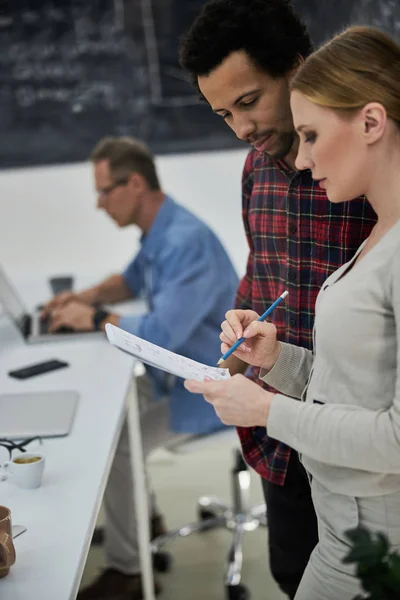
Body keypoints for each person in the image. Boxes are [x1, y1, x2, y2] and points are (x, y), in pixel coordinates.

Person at [185, 25, 400, 600]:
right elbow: (264, 281)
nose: (244, 129)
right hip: (303, 453)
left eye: (249, 102)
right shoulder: (263, 175)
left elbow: (388, 425)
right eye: (224, 115)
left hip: (370, 495)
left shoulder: (365, 195)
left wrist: (266, 405)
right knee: (289, 570)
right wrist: (260, 351)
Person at [42, 136, 238, 600]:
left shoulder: (184, 241)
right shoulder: (161, 229)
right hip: (174, 374)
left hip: (209, 386)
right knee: (115, 417)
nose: (98, 204)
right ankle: (142, 518)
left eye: (104, 191)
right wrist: (85, 297)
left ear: (134, 183)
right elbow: (129, 279)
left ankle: (129, 574)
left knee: (120, 446)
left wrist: (89, 319)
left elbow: (160, 335)